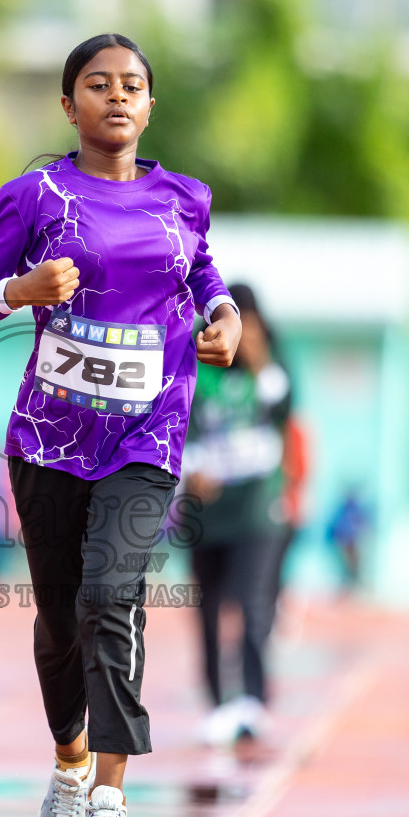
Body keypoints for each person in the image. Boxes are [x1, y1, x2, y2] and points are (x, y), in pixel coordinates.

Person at [0, 33, 240, 817]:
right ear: (68, 105)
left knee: (115, 595)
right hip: (49, 439)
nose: (117, 97)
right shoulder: (32, 197)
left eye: (133, 85)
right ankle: (70, 762)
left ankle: (112, 794)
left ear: (150, 105)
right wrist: (19, 289)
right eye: (98, 85)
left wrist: (227, 319)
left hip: (148, 433)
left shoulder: (186, 198)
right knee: (61, 618)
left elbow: (204, 276)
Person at [181, 284, 293, 746]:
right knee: (207, 611)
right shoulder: (193, 369)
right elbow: (175, 425)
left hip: (256, 513)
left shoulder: (271, 376)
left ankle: (253, 700)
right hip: (205, 511)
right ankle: (218, 702)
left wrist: (261, 355)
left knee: (251, 604)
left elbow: (285, 410)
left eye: (248, 326)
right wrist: (191, 474)